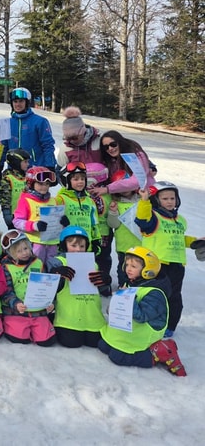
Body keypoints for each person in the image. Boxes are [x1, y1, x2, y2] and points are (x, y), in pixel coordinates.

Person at [98, 247, 186, 376]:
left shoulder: (155, 293)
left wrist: (127, 298)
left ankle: (156, 353)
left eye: (133, 266)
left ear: (148, 270)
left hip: (142, 335)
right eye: (127, 264)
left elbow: (142, 316)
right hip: (129, 330)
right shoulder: (133, 282)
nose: (128, 268)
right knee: (103, 345)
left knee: (117, 356)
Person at [135, 182, 203, 339]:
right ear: (156, 200)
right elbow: (142, 219)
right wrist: (144, 201)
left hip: (177, 265)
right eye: (165, 198)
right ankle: (149, 321)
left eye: (172, 198)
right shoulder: (153, 218)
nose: (170, 201)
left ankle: (170, 326)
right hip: (157, 265)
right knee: (155, 295)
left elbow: (180, 238)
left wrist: (195, 241)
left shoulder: (180, 220)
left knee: (174, 298)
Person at [47, 226, 110, 348]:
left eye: (82, 246)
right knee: (71, 342)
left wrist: (105, 280)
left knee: (95, 342)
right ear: (64, 245)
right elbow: (49, 287)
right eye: (73, 246)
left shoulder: (93, 263)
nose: (78, 250)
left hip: (93, 318)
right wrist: (55, 273)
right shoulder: (57, 262)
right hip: (69, 319)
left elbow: (100, 289)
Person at [0, 230, 56, 346]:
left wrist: (48, 302)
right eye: (18, 251)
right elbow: (6, 291)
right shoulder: (6, 267)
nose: (24, 253)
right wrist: (15, 303)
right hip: (16, 311)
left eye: (26, 248)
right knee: (20, 338)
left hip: (38, 310)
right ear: (10, 253)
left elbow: (46, 286)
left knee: (46, 340)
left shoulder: (38, 263)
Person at [12, 166, 67, 265]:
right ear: (32, 184)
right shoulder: (26, 200)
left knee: (52, 269)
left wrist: (63, 223)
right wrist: (34, 225)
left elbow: (57, 224)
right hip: (33, 244)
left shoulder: (53, 201)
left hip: (52, 244)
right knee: (36, 269)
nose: (44, 187)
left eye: (47, 184)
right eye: (40, 184)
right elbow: (17, 222)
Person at [0, 87, 56, 179]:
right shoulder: (6, 123)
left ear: (27, 102)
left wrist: (50, 166)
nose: (17, 104)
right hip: (14, 172)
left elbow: (48, 145)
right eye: (15, 101)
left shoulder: (40, 121)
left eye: (21, 101)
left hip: (35, 170)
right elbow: (2, 147)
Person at [89, 130, 154, 198]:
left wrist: (108, 189)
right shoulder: (109, 160)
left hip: (145, 196)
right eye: (106, 147)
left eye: (113, 144)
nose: (110, 148)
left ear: (120, 142)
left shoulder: (135, 156)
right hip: (121, 198)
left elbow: (137, 181)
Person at [0, 148, 30, 230]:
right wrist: (7, 214)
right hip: (15, 216)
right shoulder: (8, 179)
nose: (28, 164)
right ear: (17, 163)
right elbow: (5, 199)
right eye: (25, 162)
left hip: (29, 214)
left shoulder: (28, 177)